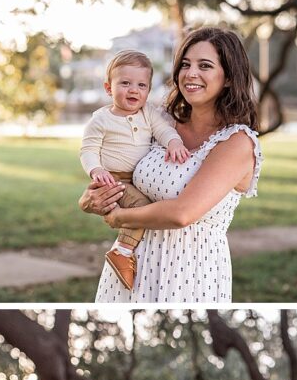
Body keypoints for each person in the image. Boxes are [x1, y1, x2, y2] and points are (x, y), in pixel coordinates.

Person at [78, 27, 261, 303]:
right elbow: (112, 165)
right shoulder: (159, 121)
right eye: (185, 64)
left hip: (189, 271)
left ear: (227, 78)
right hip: (129, 266)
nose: (190, 73)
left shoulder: (237, 143)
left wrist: (118, 218)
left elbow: (181, 213)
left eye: (205, 66)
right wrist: (91, 200)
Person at [79, 50, 191, 290]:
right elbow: (88, 149)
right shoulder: (100, 120)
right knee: (142, 208)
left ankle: (126, 249)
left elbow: (163, 130)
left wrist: (174, 142)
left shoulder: (148, 113)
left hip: (135, 179)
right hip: (114, 180)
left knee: (146, 205)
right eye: (125, 83)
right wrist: (96, 169)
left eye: (141, 85)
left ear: (148, 91)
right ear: (109, 88)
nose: (134, 90)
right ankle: (122, 250)